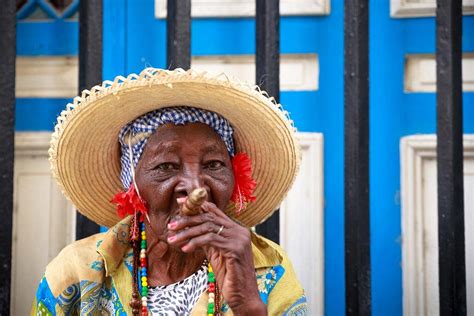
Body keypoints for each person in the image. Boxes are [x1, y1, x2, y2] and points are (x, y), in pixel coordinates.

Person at [32, 68, 308, 315]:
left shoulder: (271, 269)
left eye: (213, 164)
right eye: (166, 166)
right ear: (133, 186)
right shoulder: (76, 272)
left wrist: (248, 305)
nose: (195, 187)